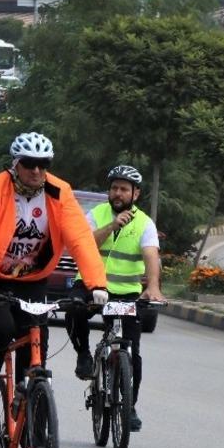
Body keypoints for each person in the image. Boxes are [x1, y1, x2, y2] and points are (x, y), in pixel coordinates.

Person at [0, 132, 108, 433]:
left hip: (33, 280)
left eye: (43, 164)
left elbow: (79, 239)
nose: (36, 171)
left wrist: (97, 285)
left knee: (36, 338)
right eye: (29, 164)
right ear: (16, 164)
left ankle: (35, 426)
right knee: (1, 330)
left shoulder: (59, 192)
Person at [65, 165, 164, 432]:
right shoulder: (96, 214)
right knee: (74, 311)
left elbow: (151, 255)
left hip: (125, 293)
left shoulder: (145, 223)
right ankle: (84, 355)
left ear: (136, 194)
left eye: (124, 189)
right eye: (114, 188)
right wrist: (111, 225)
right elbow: (85, 245)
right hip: (90, 285)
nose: (118, 193)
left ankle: (129, 407)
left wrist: (153, 286)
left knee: (133, 350)